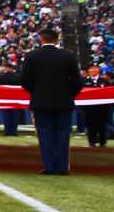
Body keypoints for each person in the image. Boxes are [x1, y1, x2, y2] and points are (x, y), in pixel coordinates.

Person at [17, 26, 81, 176]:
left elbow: (25, 81)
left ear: (41, 39)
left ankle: (49, 166)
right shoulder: (68, 56)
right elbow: (77, 82)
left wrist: (37, 93)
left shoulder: (32, 56)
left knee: (45, 135)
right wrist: (68, 94)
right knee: (63, 135)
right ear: (56, 40)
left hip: (41, 102)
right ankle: (62, 167)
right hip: (63, 102)